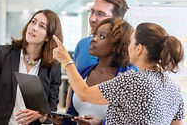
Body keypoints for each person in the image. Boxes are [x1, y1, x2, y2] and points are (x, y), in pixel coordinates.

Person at [53, 22, 185, 124]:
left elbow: (83, 94)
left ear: (139, 48)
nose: (128, 47)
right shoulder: (172, 88)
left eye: (131, 42)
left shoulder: (133, 80)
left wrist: (66, 60)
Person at [0, 10, 63, 125]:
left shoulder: (53, 67)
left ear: (48, 37)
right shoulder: (3, 54)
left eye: (41, 26)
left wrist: (42, 116)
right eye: (33, 22)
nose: (34, 28)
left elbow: (52, 113)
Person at [57, 18, 137, 125]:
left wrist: (101, 123)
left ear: (117, 45)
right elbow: (72, 116)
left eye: (102, 36)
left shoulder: (126, 77)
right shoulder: (82, 72)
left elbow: (129, 121)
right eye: (94, 35)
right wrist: (61, 121)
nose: (93, 39)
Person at [66, 0, 130, 124]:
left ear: (118, 21)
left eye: (100, 14)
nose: (92, 18)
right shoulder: (83, 45)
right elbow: (75, 87)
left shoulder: (128, 68)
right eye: (92, 12)